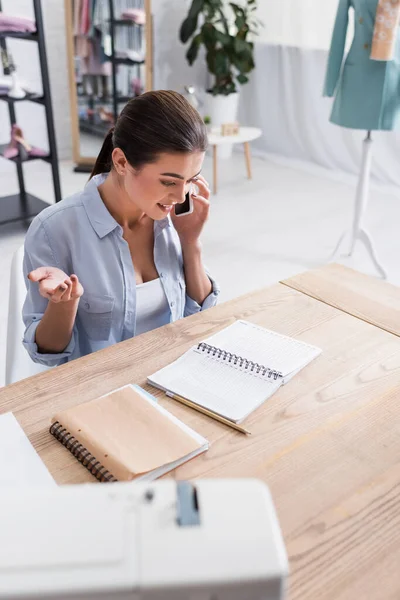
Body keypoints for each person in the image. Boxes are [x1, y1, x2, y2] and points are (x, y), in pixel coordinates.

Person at [22, 90, 219, 367]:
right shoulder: (53, 230)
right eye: (168, 182)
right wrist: (63, 303)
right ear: (122, 162)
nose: (180, 196)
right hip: (100, 393)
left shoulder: (171, 218)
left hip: (172, 374)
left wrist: (190, 242)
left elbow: (200, 316)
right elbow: (47, 354)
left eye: (191, 180)